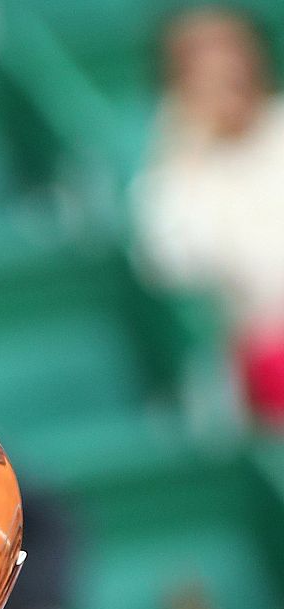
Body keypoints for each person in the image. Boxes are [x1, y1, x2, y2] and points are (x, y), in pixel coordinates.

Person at [134, 6, 284, 426]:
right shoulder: (173, 166)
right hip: (259, 352)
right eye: (200, 60)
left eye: (230, 52)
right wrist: (190, 149)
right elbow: (173, 266)